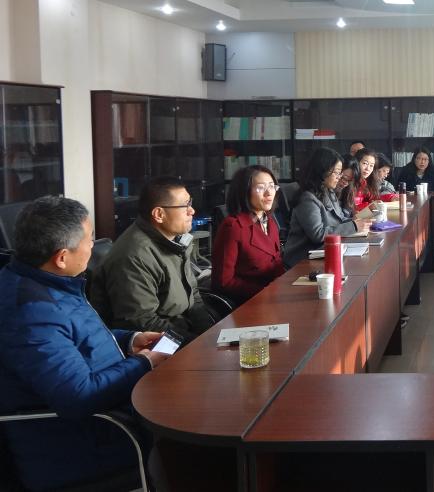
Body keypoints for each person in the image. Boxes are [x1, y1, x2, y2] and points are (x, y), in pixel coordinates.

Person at [0, 196, 169, 490]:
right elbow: (79, 395)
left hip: (113, 417)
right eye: (89, 238)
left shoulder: (48, 283)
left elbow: (75, 341)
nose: (93, 245)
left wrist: (129, 340)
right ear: (61, 257)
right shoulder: (30, 312)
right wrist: (144, 363)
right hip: (84, 444)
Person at [90, 177, 214, 340]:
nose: (192, 211)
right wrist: (196, 343)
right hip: (158, 344)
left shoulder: (175, 240)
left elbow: (193, 295)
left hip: (185, 331)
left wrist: (211, 334)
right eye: (185, 206)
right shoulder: (134, 256)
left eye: (190, 203)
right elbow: (142, 321)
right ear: (159, 214)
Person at [283, 148, 372, 267]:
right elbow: (318, 235)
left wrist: (357, 222)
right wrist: (353, 226)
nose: (339, 177)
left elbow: (339, 219)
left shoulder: (328, 191)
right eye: (337, 173)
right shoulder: (307, 198)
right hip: (303, 260)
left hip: (325, 252)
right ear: (322, 171)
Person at [211, 165, 286, 304]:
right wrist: (265, 292)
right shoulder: (233, 227)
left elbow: (276, 264)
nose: (269, 193)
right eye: (261, 188)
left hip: (275, 297)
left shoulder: (270, 222)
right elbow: (223, 281)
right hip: (250, 302)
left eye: (272, 186)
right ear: (244, 192)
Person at [354, 147, 382, 212]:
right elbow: (350, 208)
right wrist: (368, 206)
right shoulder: (349, 181)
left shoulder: (366, 182)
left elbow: (376, 198)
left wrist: (391, 197)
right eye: (365, 163)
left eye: (371, 165)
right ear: (356, 163)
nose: (368, 169)